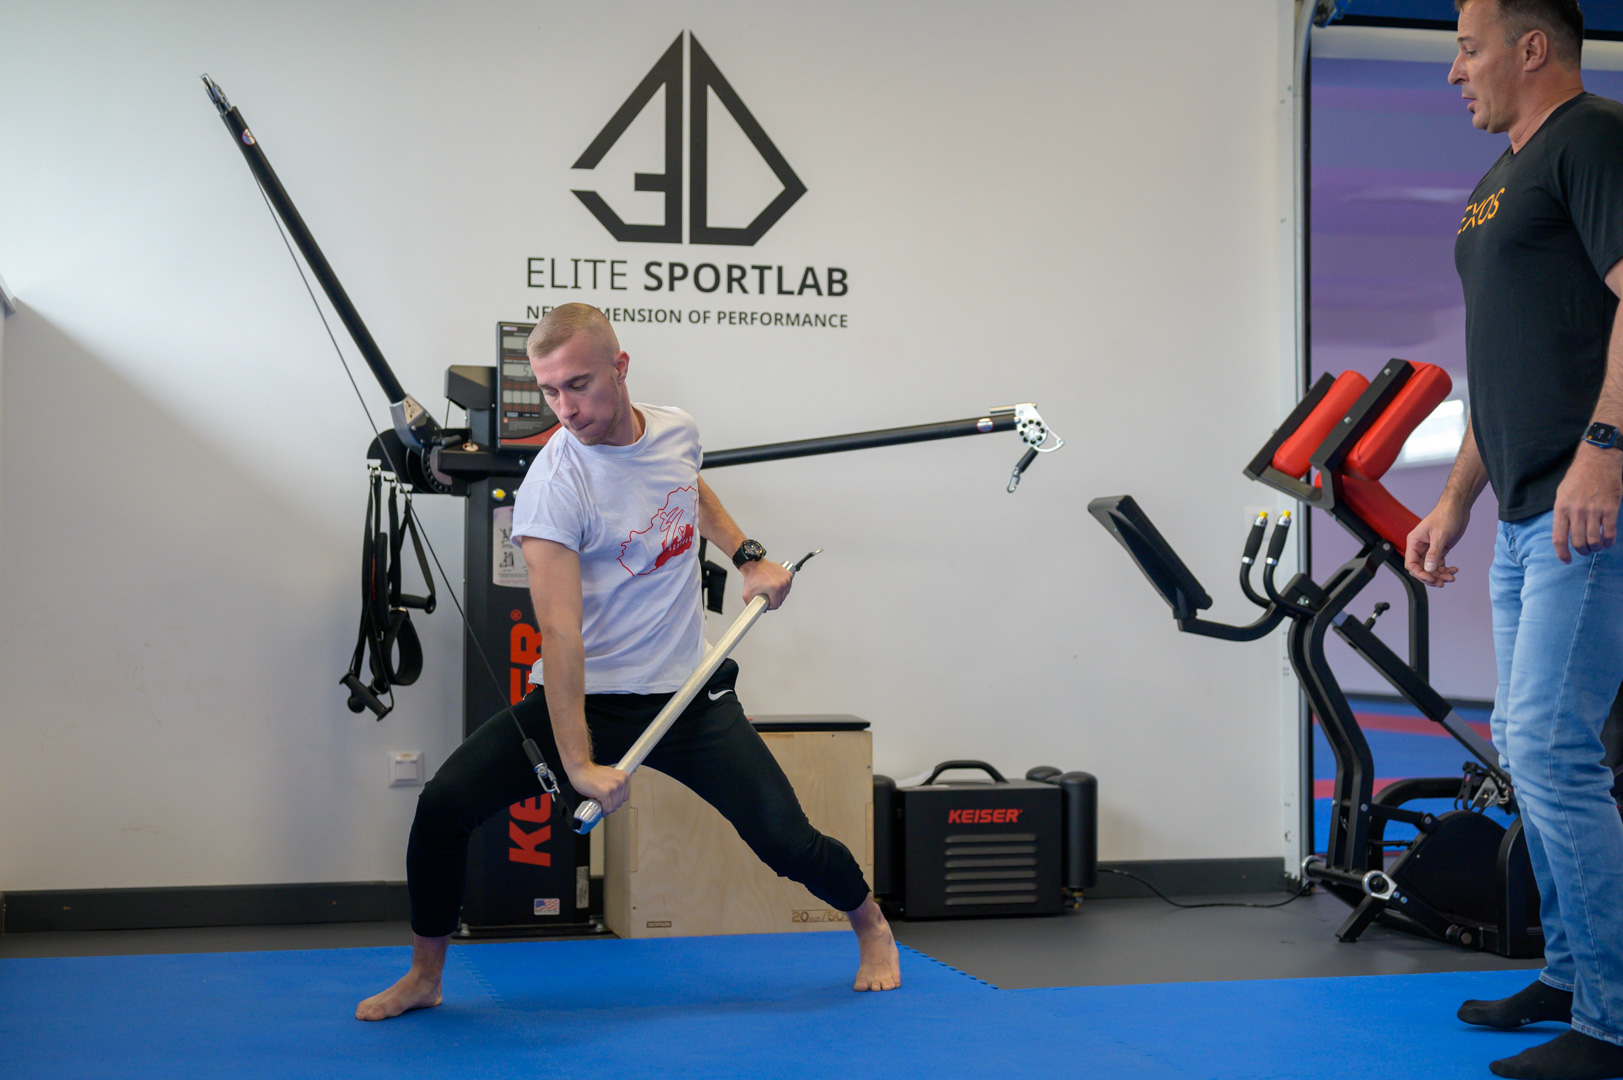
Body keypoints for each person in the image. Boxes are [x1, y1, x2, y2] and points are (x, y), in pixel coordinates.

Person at [357, 303, 901, 1021]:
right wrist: (578, 764)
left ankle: (870, 923)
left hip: (687, 697)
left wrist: (747, 555)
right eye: (550, 391)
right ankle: (425, 975)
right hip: (586, 699)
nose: (564, 408)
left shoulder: (676, 429)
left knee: (783, 839)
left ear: (620, 367)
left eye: (578, 385)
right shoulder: (554, 486)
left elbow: (688, 487)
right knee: (443, 808)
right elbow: (560, 634)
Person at [1406, 1, 1623, 1077]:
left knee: (1549, 747)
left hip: (1590, 507)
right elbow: (1505, 362)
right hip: (1525, 511)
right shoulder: (1497, 182)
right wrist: (1457, 497)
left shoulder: (1593, 138)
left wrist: (1606, 448)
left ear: (1531, 48)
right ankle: (1572, 976)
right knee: (1528, 749)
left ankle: (1612, 1021)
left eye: (1467, 47)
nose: (1455, 72)